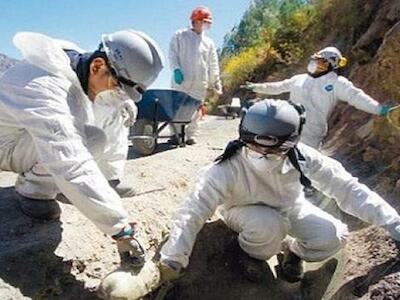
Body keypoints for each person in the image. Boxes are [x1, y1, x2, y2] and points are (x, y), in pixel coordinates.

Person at [157, 99, 400, 283]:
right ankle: (251, 253)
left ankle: (292, 251)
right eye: (253, 146)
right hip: (242, 212)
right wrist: (174, 258)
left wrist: (393, 224)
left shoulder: (304, 157)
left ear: (291, 143)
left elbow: (347, 188)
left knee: (334, 236)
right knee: (268, 227)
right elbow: (193, 210)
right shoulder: (225, 168)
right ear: (243, 138)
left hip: (291, 207)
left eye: (273, 150)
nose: (262, 154)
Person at [0, 29, 164, 265]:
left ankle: (84, 185)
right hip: (6, 145)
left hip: (24, 136)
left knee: (95, 137)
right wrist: (119, 228)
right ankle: (33, 191)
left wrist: (121, 102)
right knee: (71, 149)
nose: (118, 96)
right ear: (97, 66)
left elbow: (86, 121)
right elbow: (70, 160)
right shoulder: (43, 86)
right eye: (118, 88)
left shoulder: (77, 67)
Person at [244, 47, 392, 149]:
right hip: (288, 128)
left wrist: (380, 110)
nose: (314, 64)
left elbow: (357, 97)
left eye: (319, 61)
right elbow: (277, 87)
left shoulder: (337, 83)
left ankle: (308, 188)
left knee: (305, 166)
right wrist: (255, 87)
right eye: (314, 60)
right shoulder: (299, 79)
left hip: (312, 133)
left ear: (330, 64)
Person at [169, 6, 222, 145]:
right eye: (204, 22)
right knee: (177, 108)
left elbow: (213, 63)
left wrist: (215, 80)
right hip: (181, 80)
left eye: (208, 23)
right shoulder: (180, 35)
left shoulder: (208, 42)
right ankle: (176, 134)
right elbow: (172, 54)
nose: (206, 25)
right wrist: (176, 70)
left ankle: (191, 135)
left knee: (196, 109)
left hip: (200, 82)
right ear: (196, 21)